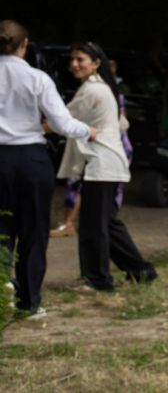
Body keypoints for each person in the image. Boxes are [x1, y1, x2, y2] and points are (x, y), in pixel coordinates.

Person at [0, 20, 96, 318]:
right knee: (34, 231)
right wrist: (87, 131)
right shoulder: (37, 78)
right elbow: (61, 122)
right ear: (24, 45)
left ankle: (2, 297)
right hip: (31, 159)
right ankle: (30, 302)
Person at [58, 41, 157, 291]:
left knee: (93, 226)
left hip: (101, 165)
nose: (74, 64)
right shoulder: (105, 89)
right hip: (107, 163)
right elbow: (122, 124)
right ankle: (141, 271)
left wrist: (30, 129)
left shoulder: (92, 90)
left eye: (80, 59)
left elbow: (61, 120)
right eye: (72, 59)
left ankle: (98, 280)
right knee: (107, 224)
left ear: (96, 63)